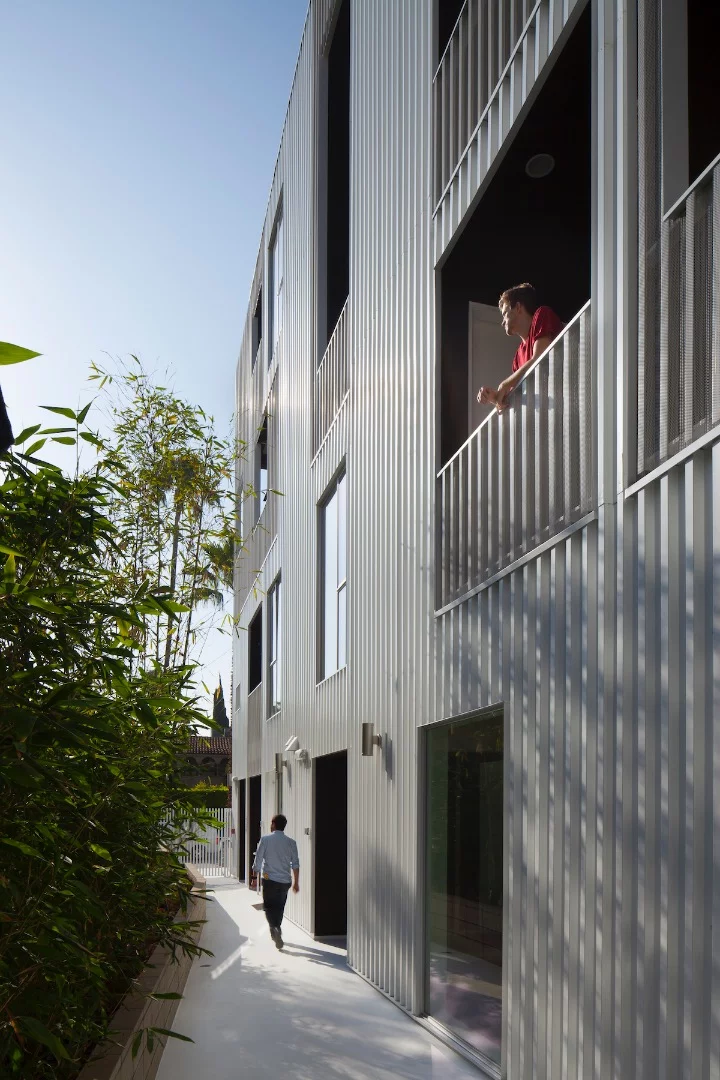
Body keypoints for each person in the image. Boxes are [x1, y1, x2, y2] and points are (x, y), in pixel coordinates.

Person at [477, 283, 564, 412]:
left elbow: (539, 359)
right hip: (546, 412)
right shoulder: (518, 356)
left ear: (518, 307)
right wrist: (495, 397)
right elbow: (516, 396)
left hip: (562, 401)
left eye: (505, 313)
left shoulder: (542, 314)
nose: (502, 322)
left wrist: (504, 385)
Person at [252, 813, 299, 950]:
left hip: (269, 880)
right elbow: (295, 864)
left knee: (268, 907)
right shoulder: (291, 842)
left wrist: (254, 877)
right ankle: (277, 927)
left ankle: (274, 928)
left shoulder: (265, 839)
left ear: (273, 824)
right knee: (279, 907)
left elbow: (258, 860)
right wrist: (296, 883)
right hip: (285, 881)